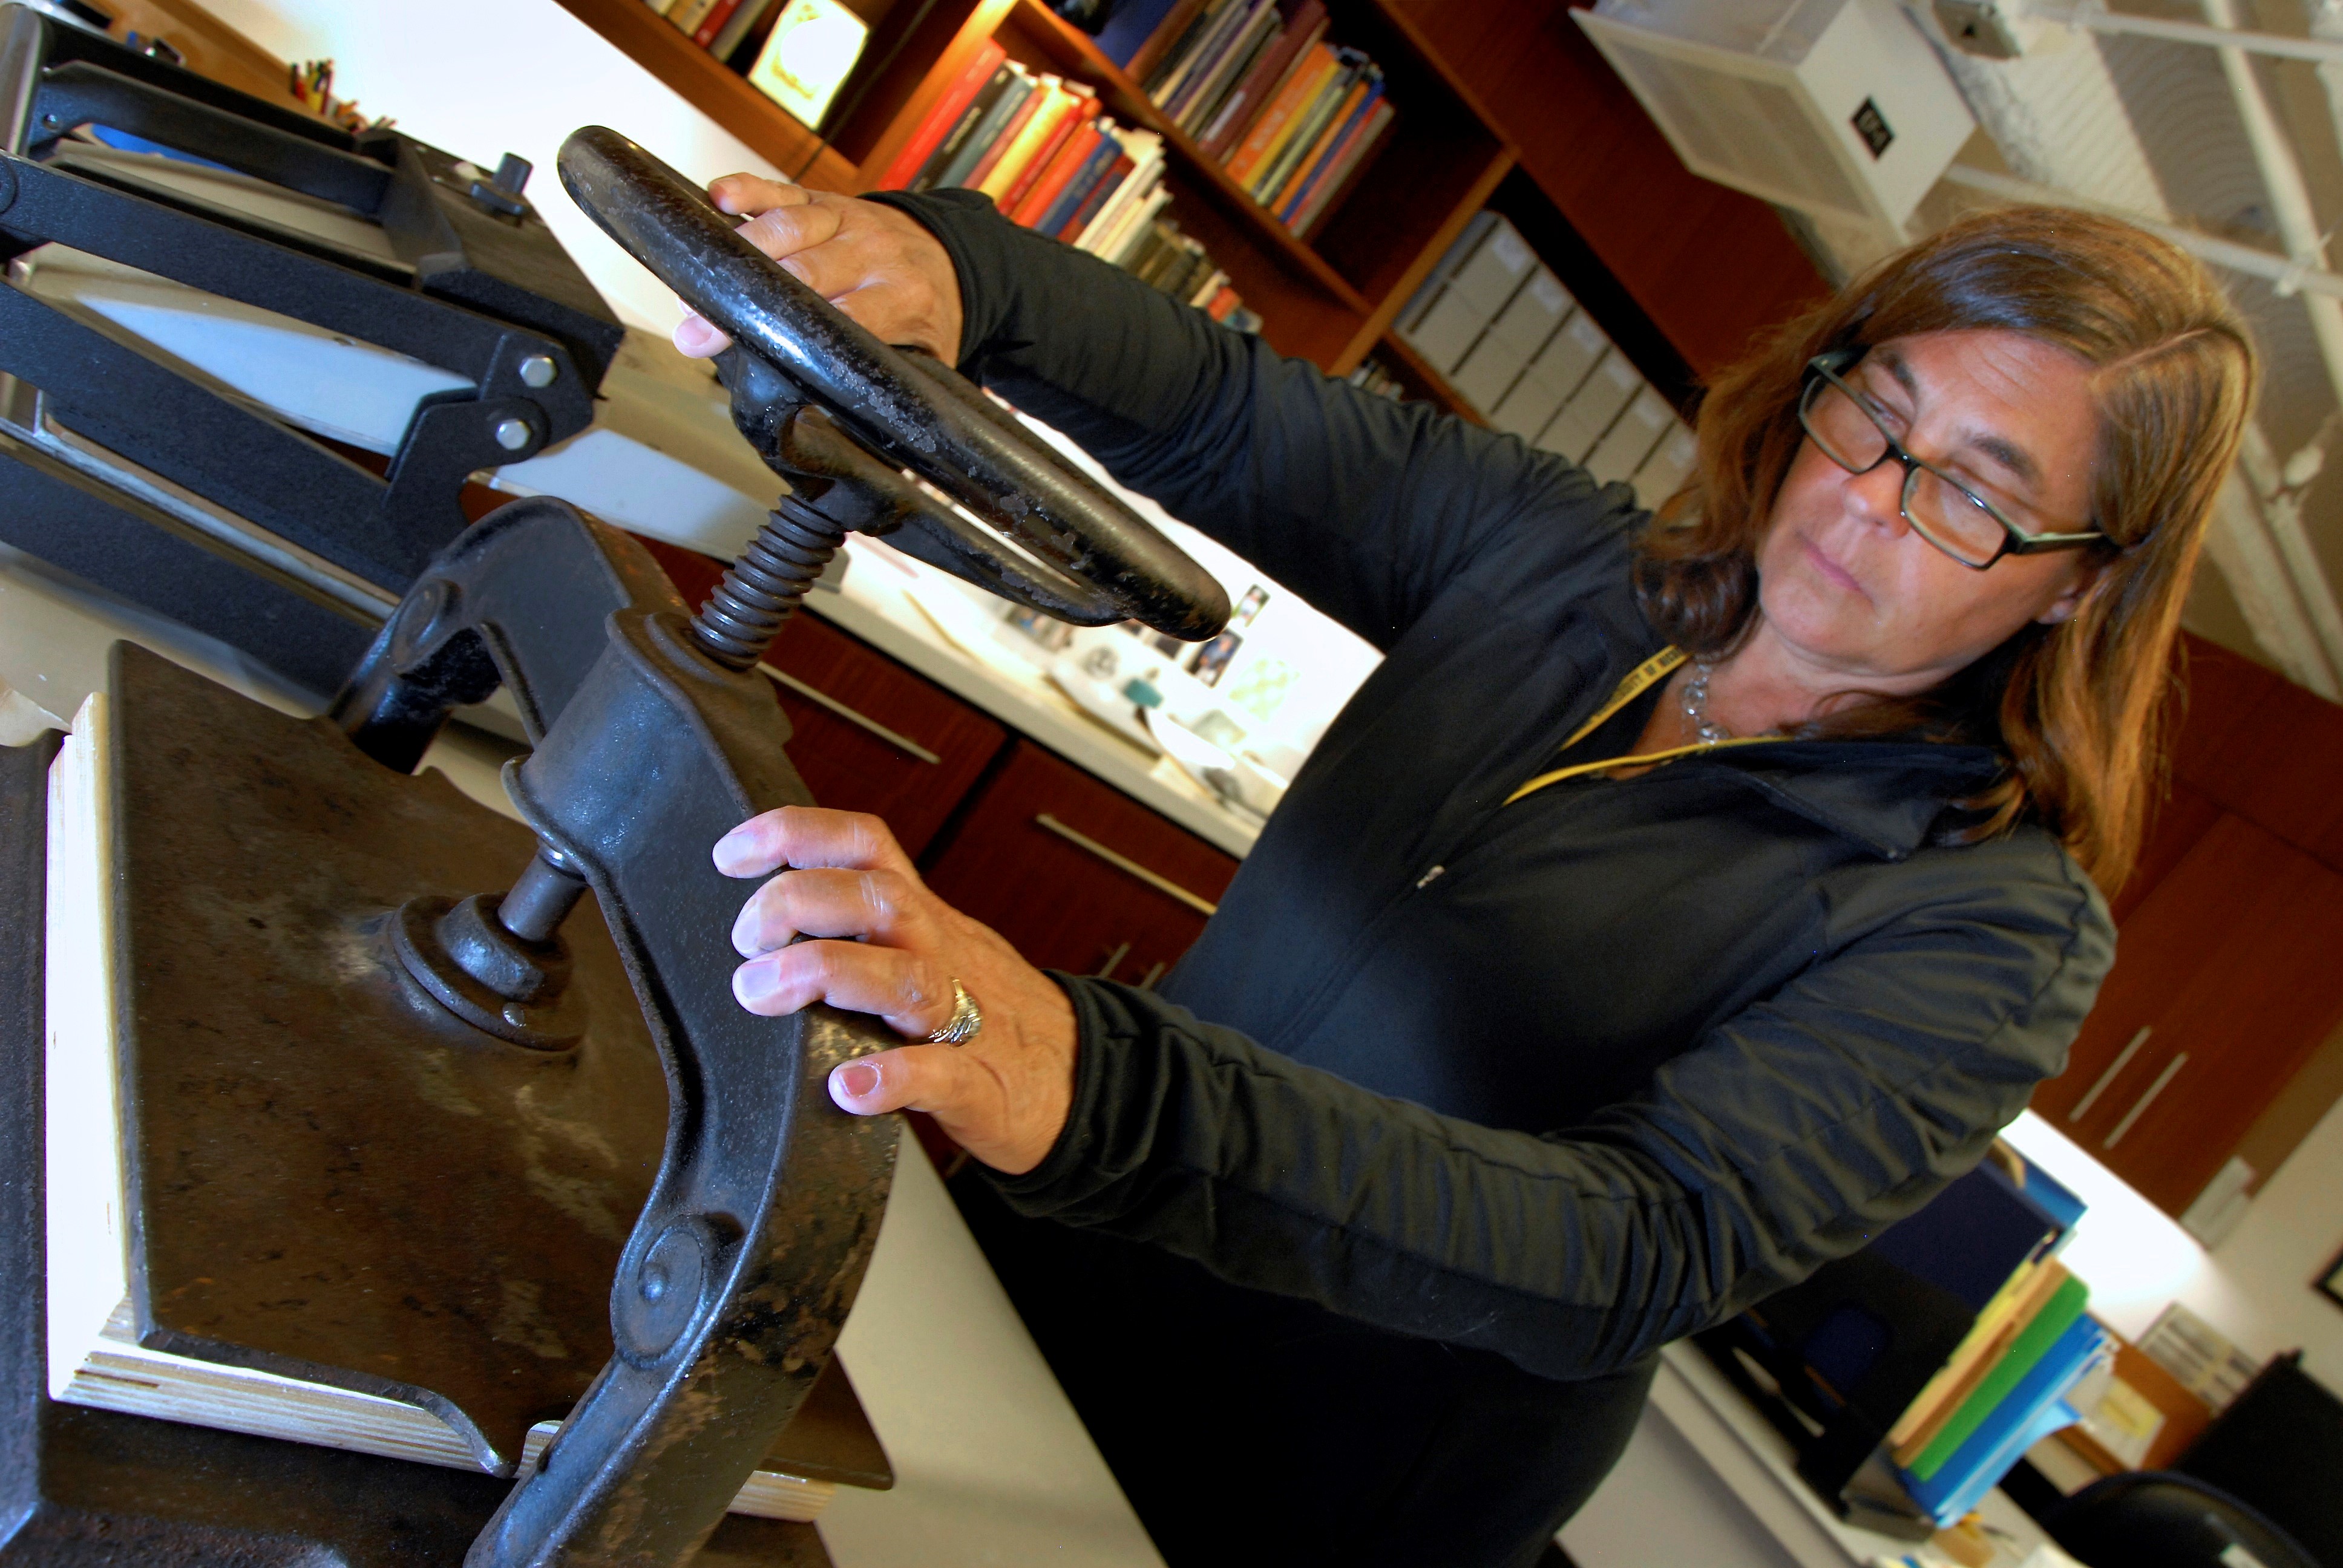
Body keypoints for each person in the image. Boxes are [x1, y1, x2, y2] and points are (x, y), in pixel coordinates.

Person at [675, 184, 2254, 1567]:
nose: (1867, 499)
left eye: (1974, 494)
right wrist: (963, 275)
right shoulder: (1575, 563)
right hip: (1054, 1262)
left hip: (1291, 1487)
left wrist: (1099, 1085)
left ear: (2086, 588)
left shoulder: (1992, 922)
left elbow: (1638, 1244)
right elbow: (1234, 416)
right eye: (1874, 413)